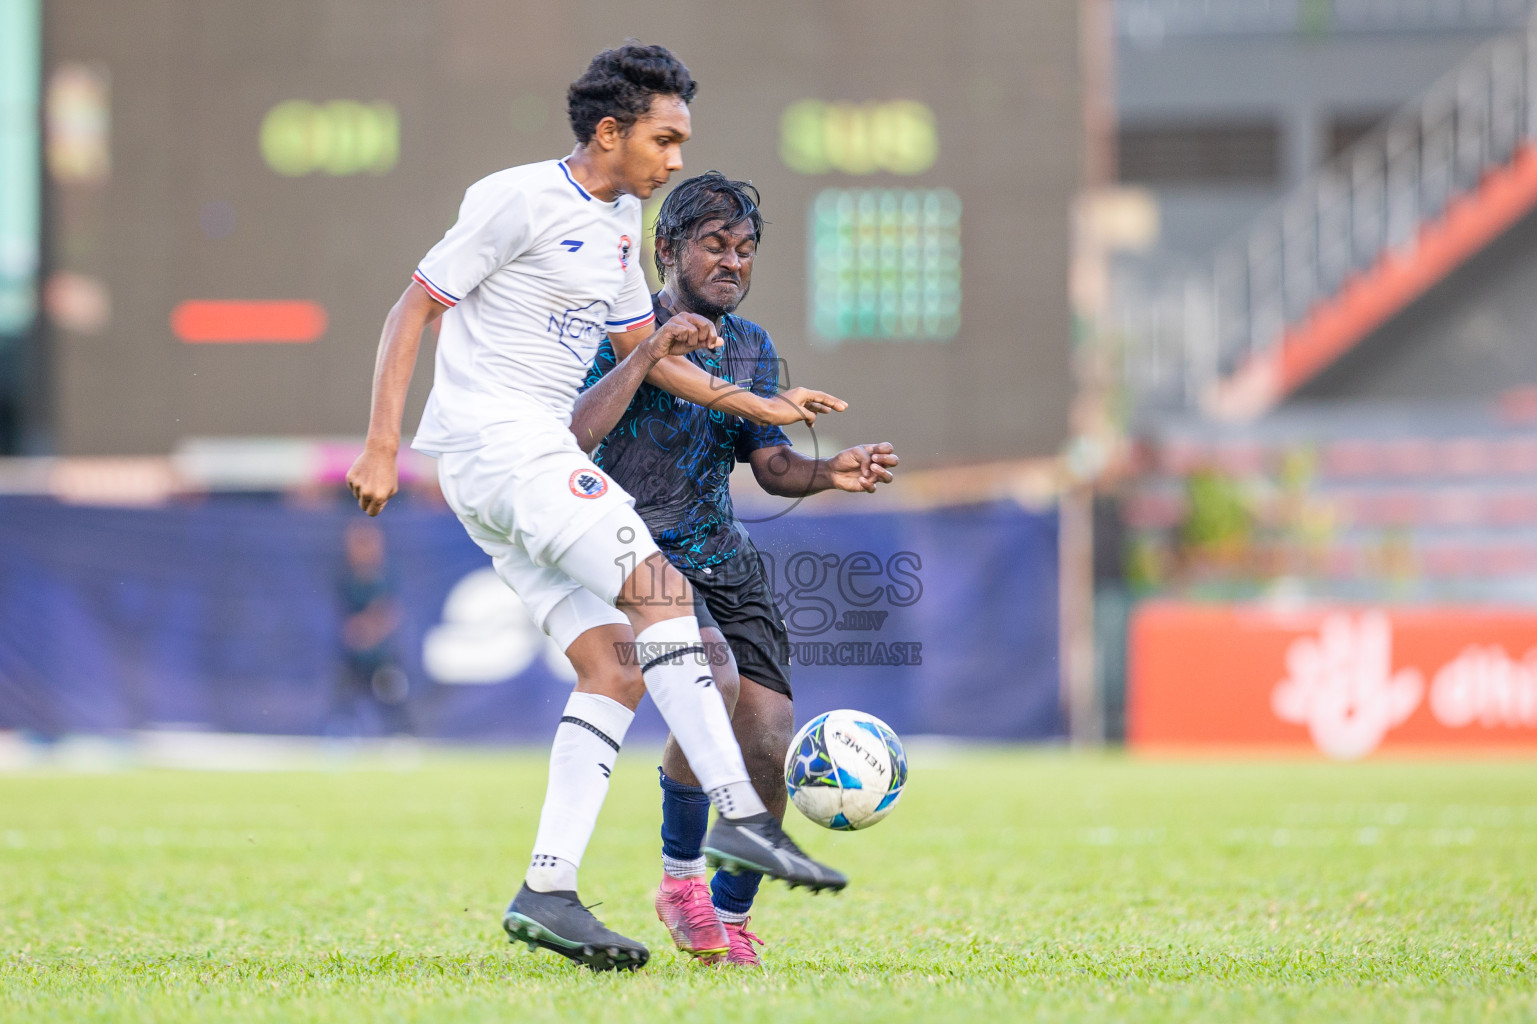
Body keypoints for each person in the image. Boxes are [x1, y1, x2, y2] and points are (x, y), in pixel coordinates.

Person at [344, 44, 847, 973]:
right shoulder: (517, 196)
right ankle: (738, 820)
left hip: (506, 468)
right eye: (665, 138)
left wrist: (761, 406)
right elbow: (411, 309)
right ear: (610, 131)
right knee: (662, 598)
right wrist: (380, 442)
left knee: (613, 668)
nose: (675, 158)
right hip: (506, 448)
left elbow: (647, 349)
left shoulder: (620, 223)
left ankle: (547, 887)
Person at [570, 172, 900, 966]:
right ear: (665, 250)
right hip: (636, 549)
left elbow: (772, 465)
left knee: (769, 735)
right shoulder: (617, 327)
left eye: (745, 249)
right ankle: (682, 881)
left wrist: (829, 472)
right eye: (714, 245)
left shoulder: (750, 346)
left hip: (724, 555)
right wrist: (648, 349)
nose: (732, 262)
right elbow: (576, 432)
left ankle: (733, 914)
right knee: (710, 680)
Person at [330, 520, 411, 735]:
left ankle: (402, 737)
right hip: (352, 656)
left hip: (383, 656)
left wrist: (369, 628)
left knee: (393, 696)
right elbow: (345, 624)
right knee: (344, 698)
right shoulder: (344, 578)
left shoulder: (387, 576)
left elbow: (390, 613)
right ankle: (341, 735)